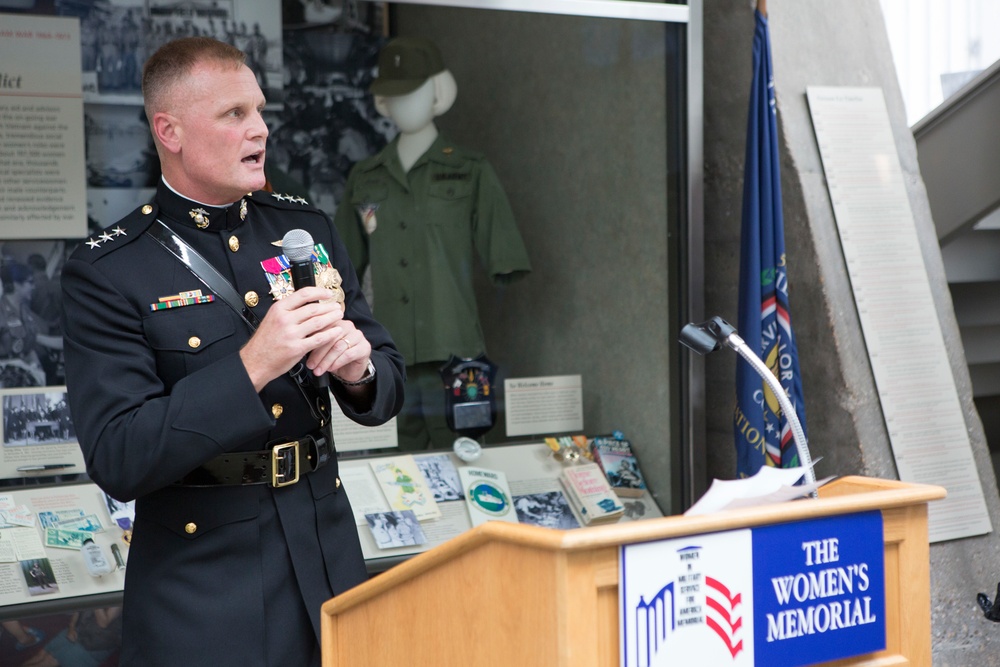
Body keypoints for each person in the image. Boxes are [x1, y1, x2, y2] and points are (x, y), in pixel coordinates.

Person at [61, 37, 405, 667]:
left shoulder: (304, 229)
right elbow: (119, 456)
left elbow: (385, 381)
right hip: (207, 588)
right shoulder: (109, 268)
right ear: (170, 130)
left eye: (260, 110)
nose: (261, 130)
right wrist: (252, 366)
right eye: (234, 115)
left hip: (326, 556)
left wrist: (360, 371)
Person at [334, 36, 531, 451]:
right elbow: (340, 269)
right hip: (388, 354)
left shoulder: (469, 171)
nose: (403, 104)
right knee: (399, 464)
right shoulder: (366, 177)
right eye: (394, 95)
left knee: (466, 458)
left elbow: (505, 260)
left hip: (454, 349)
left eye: (414, 92)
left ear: (439, 90)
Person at [19, 607, 122, 667]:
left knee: (48, 661)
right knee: (41, 655)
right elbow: (78, 609)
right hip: (79, 629)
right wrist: (71, 627)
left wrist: (95, 594)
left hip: (97, 644)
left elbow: (103, 623)